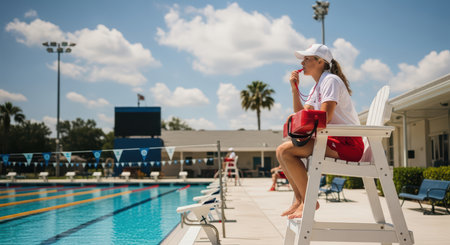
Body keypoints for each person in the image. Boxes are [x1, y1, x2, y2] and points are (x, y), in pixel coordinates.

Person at [276, 44, 364, 219]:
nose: (303, 62)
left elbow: (326, 118)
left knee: (286, 151)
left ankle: (308, 200)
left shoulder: (330, 80)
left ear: (320, 61)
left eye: (307, 58)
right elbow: (303, 115)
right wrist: (295, 90)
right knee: (281, 151)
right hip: (329, 139)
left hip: (348, 144)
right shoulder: (316, 87)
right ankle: (300, 199)